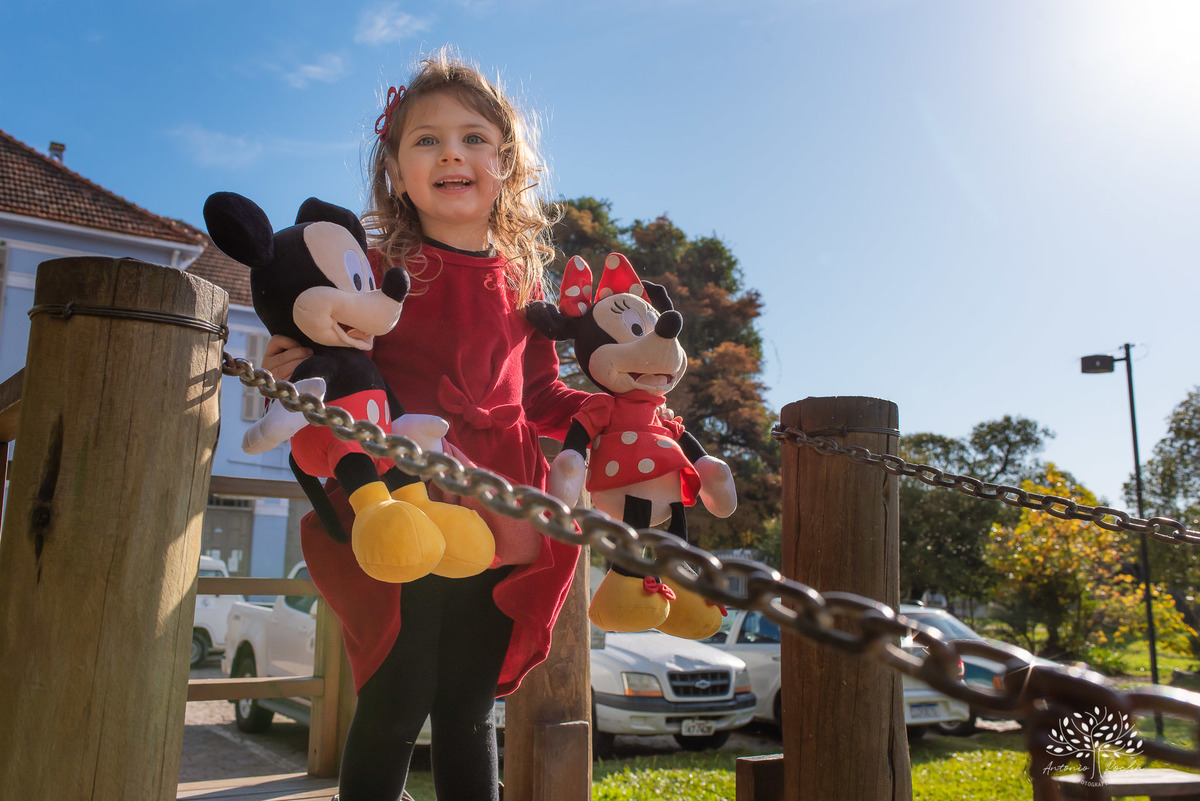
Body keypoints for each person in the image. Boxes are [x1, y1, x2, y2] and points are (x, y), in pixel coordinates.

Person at [261, 52, 588, 801]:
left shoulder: (520, 282)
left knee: (470, 707)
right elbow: (330, 351)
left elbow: (541, 393)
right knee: (398, 692)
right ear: (396, 171)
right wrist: (293, 360)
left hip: (499, 510)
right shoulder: (374, 271)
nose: (451, 153)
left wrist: (604, 414)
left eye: (474, 138)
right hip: (403, 500)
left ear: (506, 163)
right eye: (426, 140)